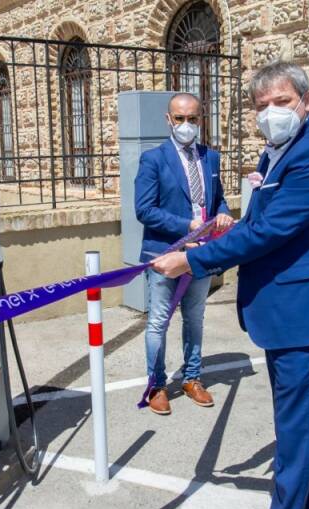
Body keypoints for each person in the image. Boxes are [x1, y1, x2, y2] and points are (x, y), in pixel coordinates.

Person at [151, 62, 309, 509]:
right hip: (288, 313)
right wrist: (206, 244)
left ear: (306, 103)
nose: (271, 113)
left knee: (293, 435)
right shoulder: (280, 152)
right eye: (261, 105)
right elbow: (257, 223)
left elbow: (270, 231)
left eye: (282, 102)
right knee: (299, 426)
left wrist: (193, 264)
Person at [134, 92, 235, 415]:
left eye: (193, 118)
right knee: (159, 322)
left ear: (201, 119)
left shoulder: (211, 158)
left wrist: (223, 214)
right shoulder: (154, 159)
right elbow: (144, 210)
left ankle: (192, 378)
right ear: (169, 120)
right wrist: (186, 226)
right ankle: (157, 385)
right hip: (165, 254)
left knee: (195, 319)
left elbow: (217, 199)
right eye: (180, 119)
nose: (187, 125)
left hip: (201, 255)